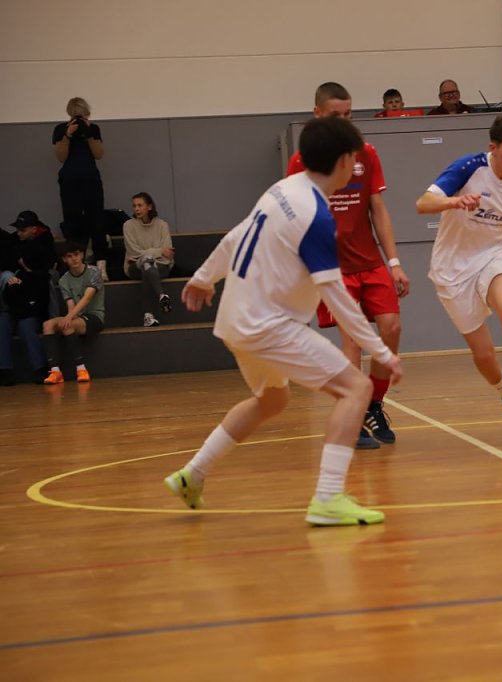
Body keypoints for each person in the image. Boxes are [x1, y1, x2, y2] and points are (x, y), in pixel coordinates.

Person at [164, 116, 403, 527]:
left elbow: (235, 236)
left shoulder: (281, 189)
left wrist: (204, 277)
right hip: (268, 326)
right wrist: (381, 351)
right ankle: (328, 498)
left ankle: (193, 474)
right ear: (345, 162)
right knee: (357, 388)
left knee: (272, 400)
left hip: (235, 321)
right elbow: (336, 295)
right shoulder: (316, 216)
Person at [286, 82, 409, 450]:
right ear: (318, 114)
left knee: (391, 328)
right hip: (332, 270)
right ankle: (352, 419)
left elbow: (378, 210)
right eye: (335, 115)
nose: (343, 121)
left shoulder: (365, 153)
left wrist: (394, 262)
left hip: (369, 262)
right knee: (352, 341)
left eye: (348, 114)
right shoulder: (302, 161)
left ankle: (373, 404)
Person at [415, 113, 502, 433]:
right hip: (451, 268)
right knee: (484, 355)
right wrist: (455, 202)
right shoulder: (468, 167)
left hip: (490, 256)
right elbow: (423, 203)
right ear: (493, 148)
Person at [53, 97, 110, 281]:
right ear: (70, 114)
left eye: (82, 114)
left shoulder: (93, 129)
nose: (79, 118)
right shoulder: (60, 129)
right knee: (72, 222)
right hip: (69, 181)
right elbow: (61, 157)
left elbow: (99, 154)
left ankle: (101, 266)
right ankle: (76, 266)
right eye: (76, 115)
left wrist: (88, 133)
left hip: (91, 180)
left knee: (97, 220)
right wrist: (68, 135)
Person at [0, 212, 56, 385]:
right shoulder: (16, 277)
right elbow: (12, 302)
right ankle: (4, 369)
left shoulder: (43, 279)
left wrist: (16, 291)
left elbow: (38, 307)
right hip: (20, 309)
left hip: (31, 313)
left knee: (25, 325)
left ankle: (40, 368)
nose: (18, 233)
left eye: (22, 230)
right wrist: (14, 288)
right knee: (3, 321)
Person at [41, 242, 105, 384]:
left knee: (67, 325)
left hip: (94, 316)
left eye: (76, 254)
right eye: (69, 256)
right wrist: (70, 316)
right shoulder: (64, 280)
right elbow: (71, 304)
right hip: (77, 316)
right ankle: (55, 371)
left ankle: (81, 369)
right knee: (47, 325)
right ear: (64, 259)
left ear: (82, 255)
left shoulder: (94, 272)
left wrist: (69, 317)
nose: (74, 259)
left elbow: (87, 298)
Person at [122, 192, 174, 327]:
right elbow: (134, 252)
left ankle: (148, 316)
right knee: (146, 263)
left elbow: (168, 252)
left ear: (149, 207)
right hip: (134, 266)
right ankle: (162, 295)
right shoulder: (128, 225)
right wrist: (159, 251)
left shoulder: (162, 225)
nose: (136, 209)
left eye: (140, 205)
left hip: (160, 265)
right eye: (134, 206)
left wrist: (148, 256)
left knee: (147, 268)